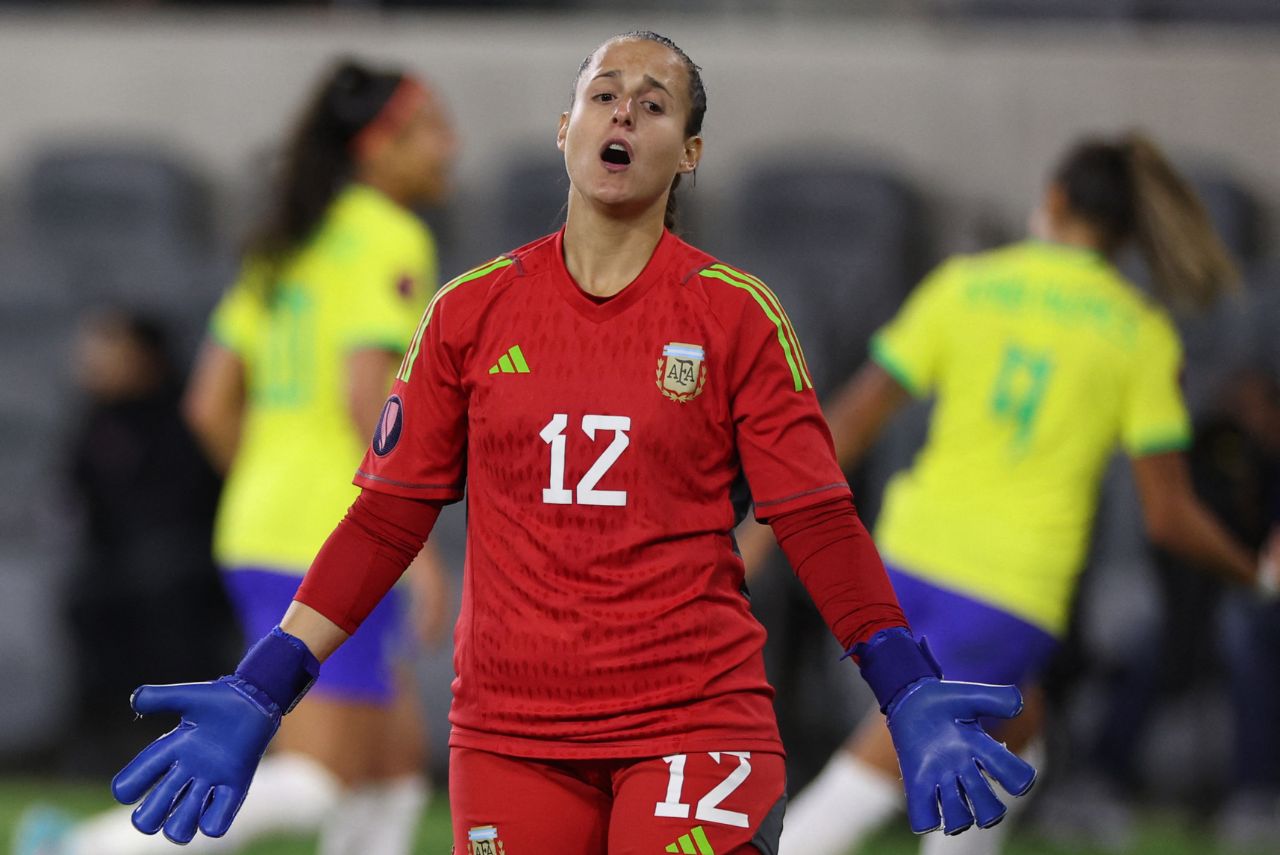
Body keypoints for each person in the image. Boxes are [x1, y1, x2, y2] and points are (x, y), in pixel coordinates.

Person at [108, 32, 1037, 855]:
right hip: (510, 736)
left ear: (690, 153)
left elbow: (818, 520)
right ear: (566, 130)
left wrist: (905, 684)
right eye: (604, 93)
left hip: (693, 720)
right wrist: (263, 684)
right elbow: (387, 517)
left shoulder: (735, 315)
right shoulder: (469, 312)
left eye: (654, 101)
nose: (623, 109)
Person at [766, 132, 1280, 855]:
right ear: (1129, 233)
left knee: (1017, 732)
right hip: (1004, 592)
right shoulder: (1140, 336)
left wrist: (762, 523)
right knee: (869, 781)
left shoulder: (964, 283)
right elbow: (1169, 516)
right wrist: (1255, 569)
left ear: (1056, 200)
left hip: (898, 562)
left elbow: (847, 420)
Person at [25, 58, 458, 855]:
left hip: (263, 521)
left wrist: (268, 483)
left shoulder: (284, 245)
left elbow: (207, 401)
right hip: (333, 533)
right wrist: (418, 544)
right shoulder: (390, 238)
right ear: (375, 146)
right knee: (322, 776)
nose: (450, 146)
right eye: (428, 128)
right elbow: (369, 389)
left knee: (393, 767)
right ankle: (89, 848)